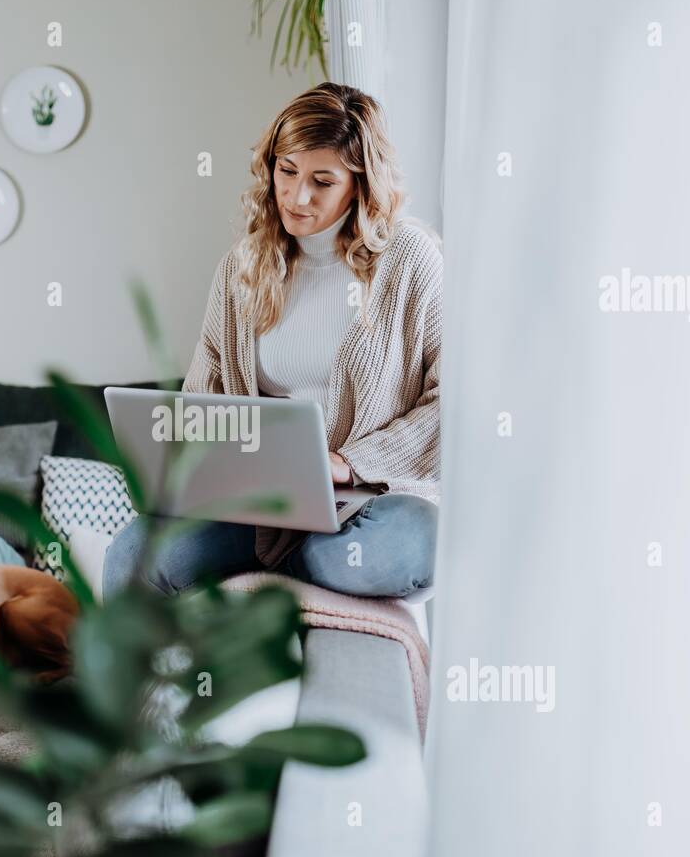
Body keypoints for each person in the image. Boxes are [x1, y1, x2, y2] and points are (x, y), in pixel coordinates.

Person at [104, 82, 441, 600]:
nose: (297, 197)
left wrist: (350, 463)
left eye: (322, 181)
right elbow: (204, 394)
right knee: (132, 554)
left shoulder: (410, 259)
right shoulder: (243, 267)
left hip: (369, 498)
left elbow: (452, 399)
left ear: (360, 185)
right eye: (287, 172)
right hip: (257, 507)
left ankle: (300, 560)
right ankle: (125, 680)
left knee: (409, 545)